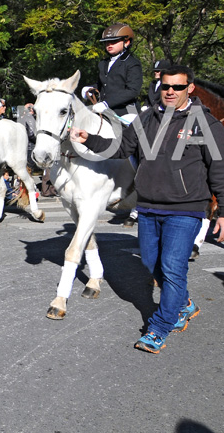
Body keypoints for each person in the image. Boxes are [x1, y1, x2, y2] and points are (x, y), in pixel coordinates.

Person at [71, 65, 224, 353]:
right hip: (150, 207)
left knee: (172, 266)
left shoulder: (204, 123)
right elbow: (120, 148)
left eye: (177, 87)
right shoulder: (146, 119)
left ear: (189, 88)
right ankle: (184, 303)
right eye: (166, 86)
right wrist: (88, 138)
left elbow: (219, 169)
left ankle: (161, 326)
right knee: (150, 262)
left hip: (186, 208)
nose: (170, 91)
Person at [80, 23, 143, 122]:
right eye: (107, 42)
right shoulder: (103, 63)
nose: (109, 44)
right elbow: (104, 85)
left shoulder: (132, 63)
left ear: (126, 42)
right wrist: (91, 88)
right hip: (105, 111)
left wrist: (107, 103)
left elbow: (132, 91)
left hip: (125, 112)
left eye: (114, 41)